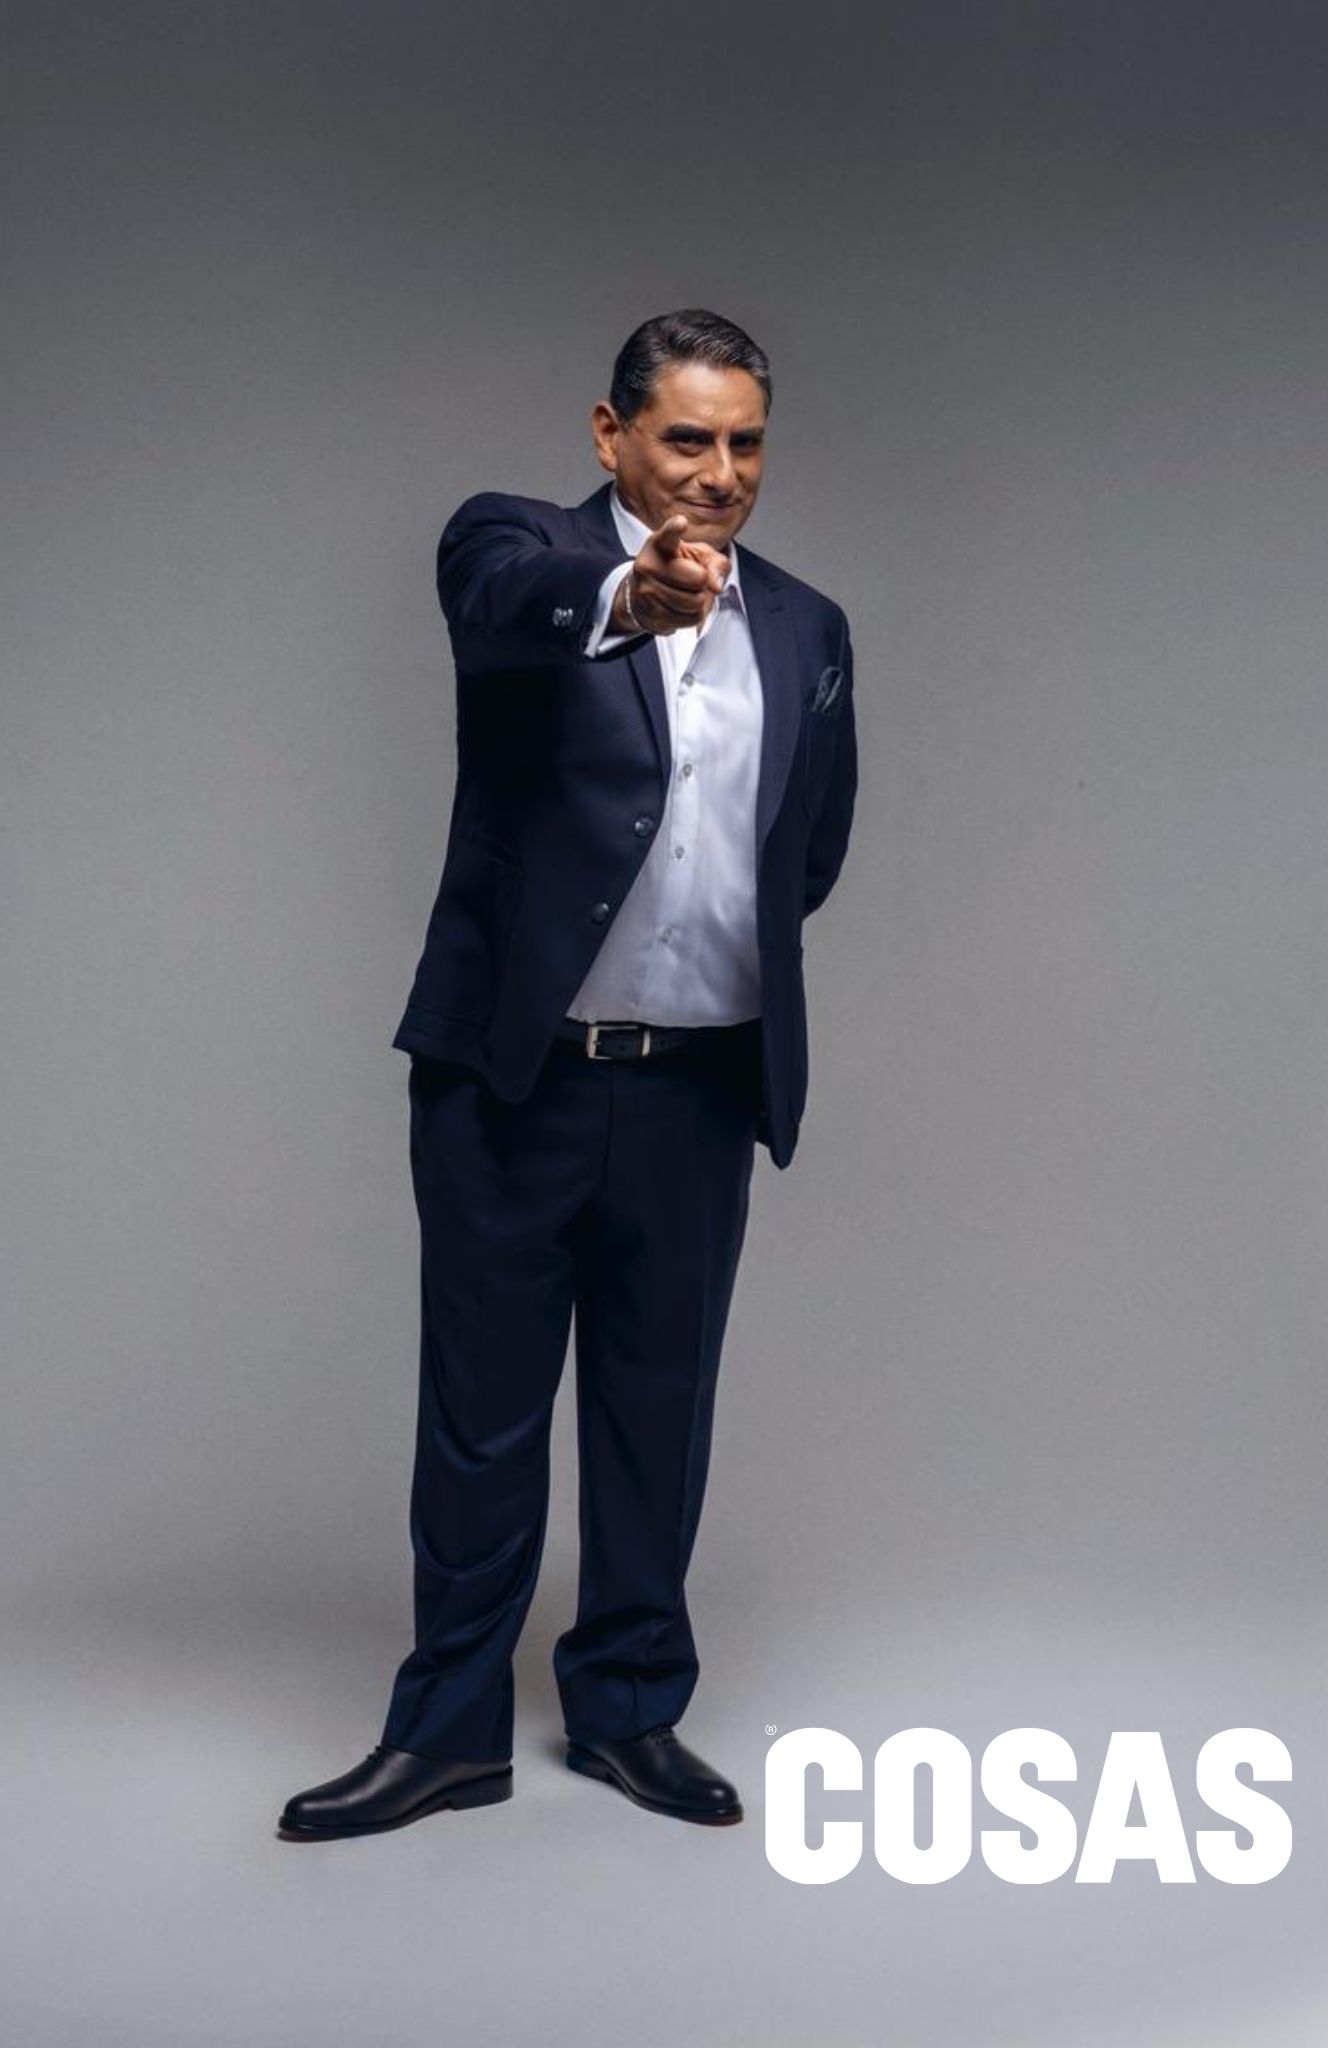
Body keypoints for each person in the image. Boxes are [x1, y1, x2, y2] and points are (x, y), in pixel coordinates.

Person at [277, 307, 857, 1839]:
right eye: (686, 438)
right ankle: (448, 1734)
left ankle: (628, 1710)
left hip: (698, 1091)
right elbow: (503, 608)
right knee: (480, 1419)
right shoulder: (517, 550)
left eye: (744, 443)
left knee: (657, 1414)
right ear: (611, 435)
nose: (718, 473)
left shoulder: (808, 627)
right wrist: (626, 595)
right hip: (513, 1082)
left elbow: (809, 851)